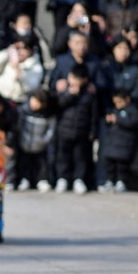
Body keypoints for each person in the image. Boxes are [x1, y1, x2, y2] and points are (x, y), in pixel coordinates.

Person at [54, 64, 96, 194]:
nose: (75, 81)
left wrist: (92, 131)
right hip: (64, 131)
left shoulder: (89, 95)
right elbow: (58, 105)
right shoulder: (63, 92)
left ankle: (79, 179)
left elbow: (93, 115)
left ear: (84, 80)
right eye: (73, 77)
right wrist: (70, 95)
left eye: (78, 78)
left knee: (80, 157)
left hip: (81, 131)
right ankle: (62, 179)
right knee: (63, 157)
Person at [100, 89, 138, 193]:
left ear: (127, 99)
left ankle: (121, 182)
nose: (117, 105)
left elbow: (135, 123)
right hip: (113, 143)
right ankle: (110, 181)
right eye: (115, 102)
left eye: (119, 102)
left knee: (122, 166)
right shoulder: (115, 110)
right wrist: (108, 120)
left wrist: (118, 120)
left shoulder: (133, 110)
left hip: (126, 144)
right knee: (110, 164)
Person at [15, 89, 56, 193]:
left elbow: (51, 130)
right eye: (33, 100)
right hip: (25, 143)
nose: (34, 104)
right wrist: (22, 139)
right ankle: (25, 179)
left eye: (38, 102)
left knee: (41, 164)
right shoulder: (23, 110)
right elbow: (19, 127)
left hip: (40, 144)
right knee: (24, 163)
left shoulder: (48, 114)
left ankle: (42, 180)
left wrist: (44, 141)